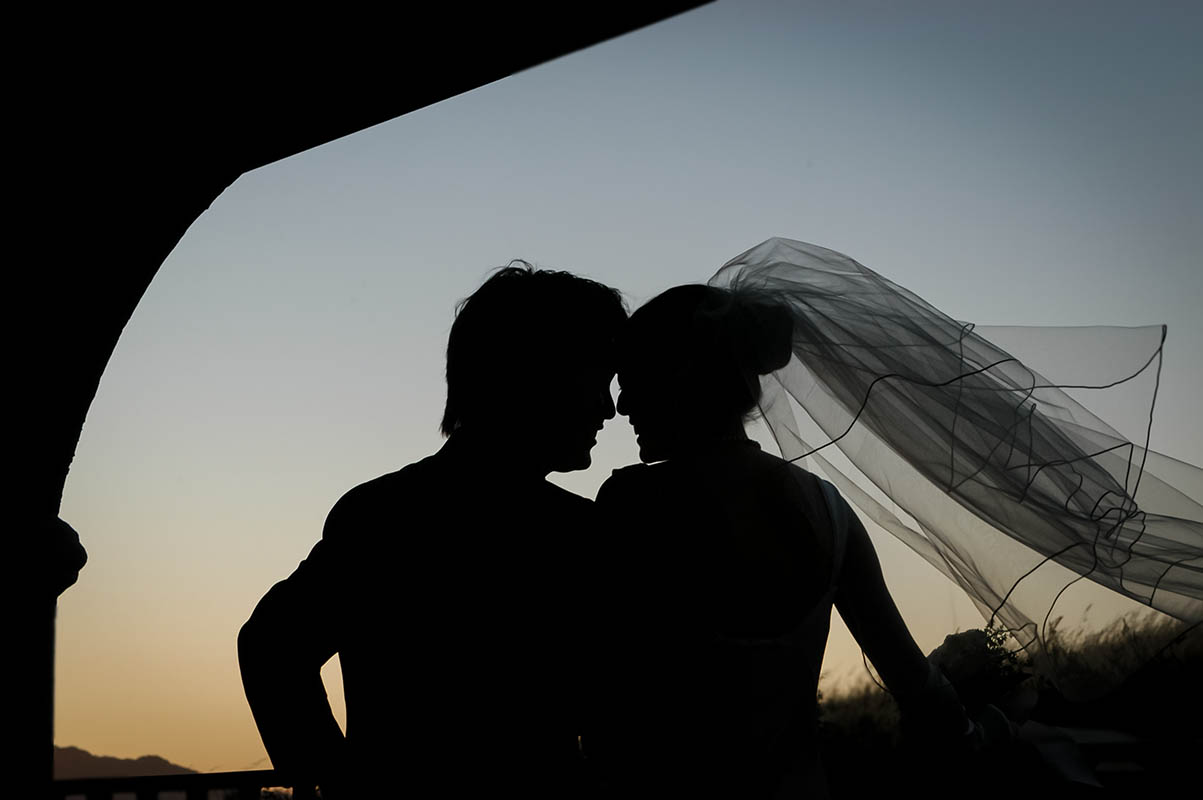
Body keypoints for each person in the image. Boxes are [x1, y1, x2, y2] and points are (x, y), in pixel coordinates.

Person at [587, 284, 998, 799]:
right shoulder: (829, 510)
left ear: (681, 378)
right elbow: (915, 685)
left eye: (633, 381)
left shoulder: (632, 505)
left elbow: (599, 696)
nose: (622, 405)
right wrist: (979, 738)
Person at [238, 263, 627, 799]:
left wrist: (337, 779)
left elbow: (271, 644)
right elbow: (270, 645)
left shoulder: (382, 512)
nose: (609, 408)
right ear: (536, 376)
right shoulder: (579, 530)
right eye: (596, 379)